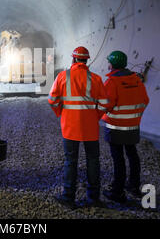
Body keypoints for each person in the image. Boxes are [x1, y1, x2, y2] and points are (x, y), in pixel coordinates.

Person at [48, 47, 109, 209]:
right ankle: (94, 198)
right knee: (93, 161)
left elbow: (52, 100)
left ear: (73, 59)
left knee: (70, 161)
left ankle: (69, 198)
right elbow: (104, 104)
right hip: (91, 129)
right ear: (86, 60)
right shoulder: (96, 79)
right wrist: (94, 117)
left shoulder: (63, 76)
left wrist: (61, 113)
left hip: (69, 128)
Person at [101, 51, 149, 203]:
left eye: (109, 62)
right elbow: (145, 100)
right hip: (132, 126)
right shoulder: (136, 79)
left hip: (115, 127)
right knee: (132, 155)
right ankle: (134, 186)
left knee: (118, 159)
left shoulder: (111, 82)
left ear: (112, 64)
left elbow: (106, 104)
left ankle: (117, 192)